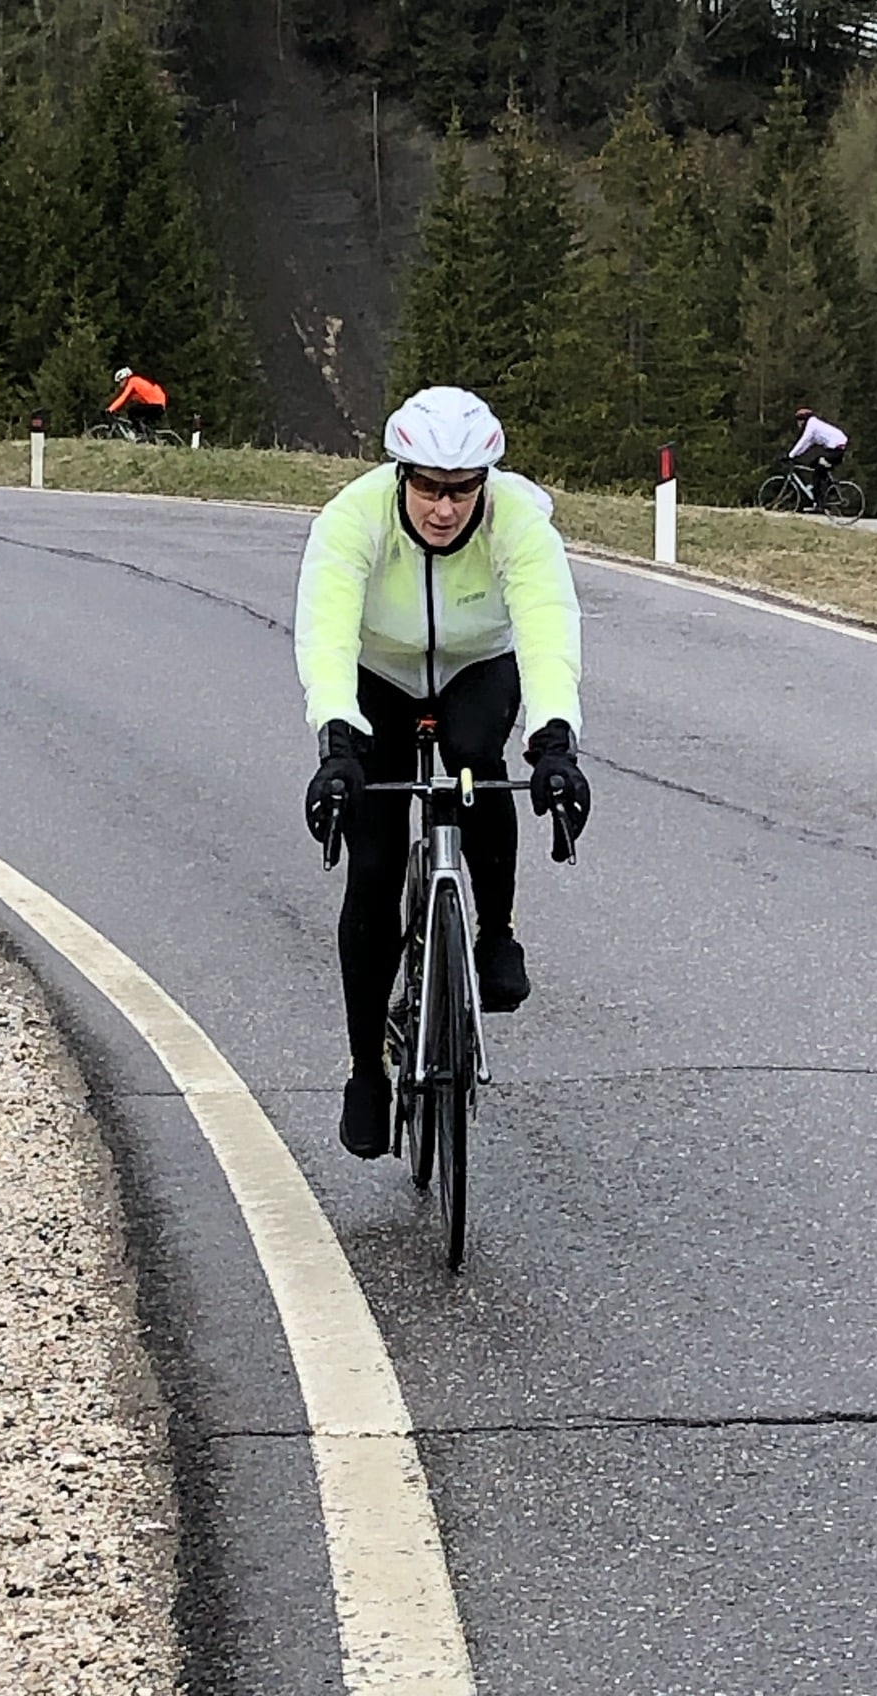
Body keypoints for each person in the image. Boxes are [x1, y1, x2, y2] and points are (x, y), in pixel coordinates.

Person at [295, 385, 591, 1160]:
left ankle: (496, 934)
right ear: (402, 476)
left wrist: (556, 741)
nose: (445, 508)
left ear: (484, 483)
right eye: (428, 488)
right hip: (381, 674)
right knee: (374, 864)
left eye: (462, 490)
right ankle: (366, 1070)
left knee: (475, 761)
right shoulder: (352, 518)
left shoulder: (518, 519)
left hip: (475, 665)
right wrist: (336, 740)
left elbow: (547, 627)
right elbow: (326, 634)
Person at [787, 407, 849, 512]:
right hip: (836, 449)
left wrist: (790, 455)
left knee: (816, 474)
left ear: (803, 420)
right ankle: (830, 488)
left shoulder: (812, 424)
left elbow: (804, 440)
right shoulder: (815, 425)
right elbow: (807, 444)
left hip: (835, 450)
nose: (798, 424)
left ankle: (820, 504)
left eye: (799, 421)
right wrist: (795, 454)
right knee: (814, 464)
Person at [107, 366, 167, 439]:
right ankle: (144, 436)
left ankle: (139, 434)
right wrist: (117, 409)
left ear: (126, 378)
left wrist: (111, 409)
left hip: (156, 405)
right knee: (138, 415)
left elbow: (123, 397)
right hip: (158, 405)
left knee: (132, 411)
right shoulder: (136, 383)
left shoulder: (133, 381)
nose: (120, 384)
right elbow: (126, 400)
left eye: (121, 381)